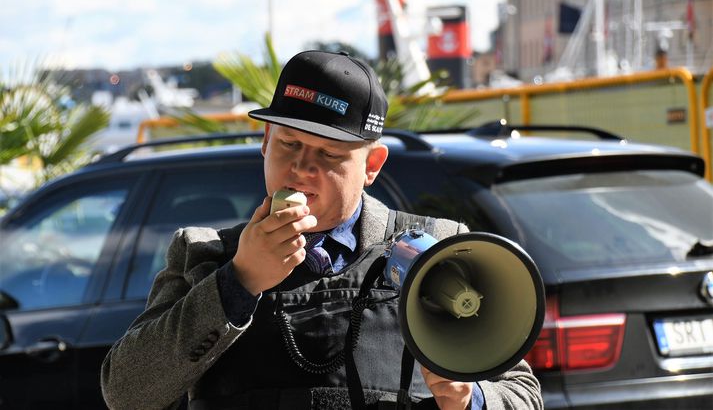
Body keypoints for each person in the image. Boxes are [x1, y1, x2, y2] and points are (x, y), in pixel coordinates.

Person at [101, 50, 543, 410]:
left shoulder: (440, 249)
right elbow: (125, 392)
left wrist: (472, 399)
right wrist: (239, 282)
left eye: (330, 155)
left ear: (371, 166)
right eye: (289, 145)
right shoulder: (204, 255)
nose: (301, 169)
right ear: (265, 144)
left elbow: (523, 394)